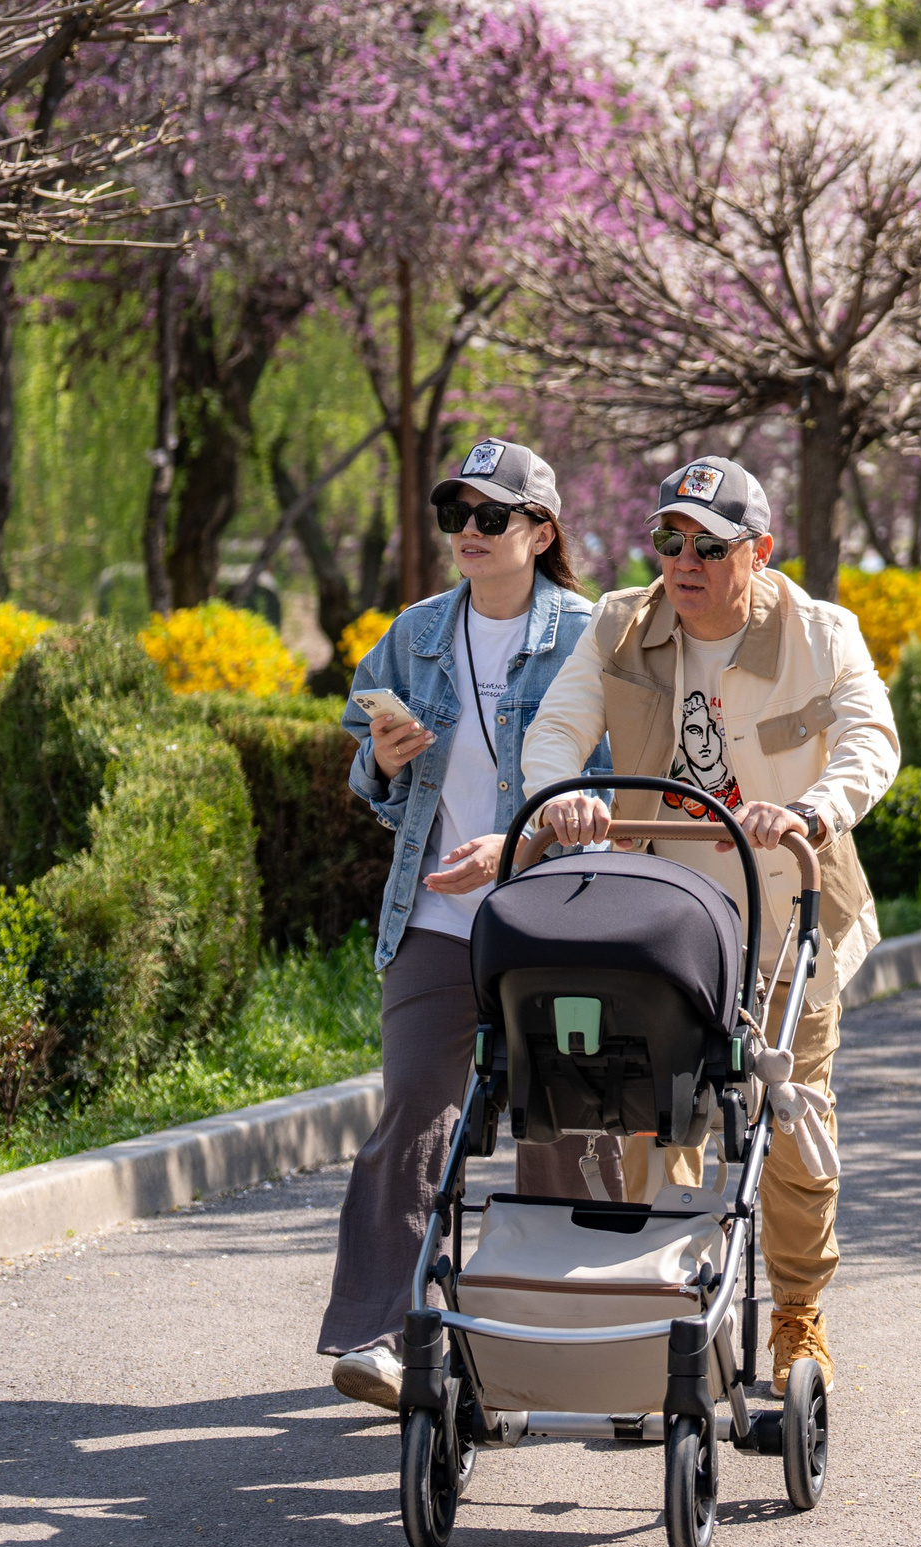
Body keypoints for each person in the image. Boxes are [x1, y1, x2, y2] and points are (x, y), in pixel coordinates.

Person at [524, 453, 901, 1398]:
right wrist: (557, 799)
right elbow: (557, 727)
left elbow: (870, 737)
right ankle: (661, 1312)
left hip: (786, 918)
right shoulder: (621, 624)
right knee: (652, 1119)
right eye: (668, 539)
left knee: (788, 1121)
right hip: (663, 930)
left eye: (708, 544)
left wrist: (814, 809)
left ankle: (798, 1315)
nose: (682, 561)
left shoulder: (819, 632)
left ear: (759, 552)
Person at [321, 436, 607, 1410]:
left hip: (555, 917)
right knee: (411, 1106)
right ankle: (378, 1338)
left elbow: (612, 788)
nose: (469, 534)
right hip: (437, 917)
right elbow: (367, 765)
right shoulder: (416, 634)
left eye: (491, 517)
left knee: (567, 1120)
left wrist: (518, 849)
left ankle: (545, 1329)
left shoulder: (589, 635)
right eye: (457, 517)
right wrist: (389, 763)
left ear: (540, 531)